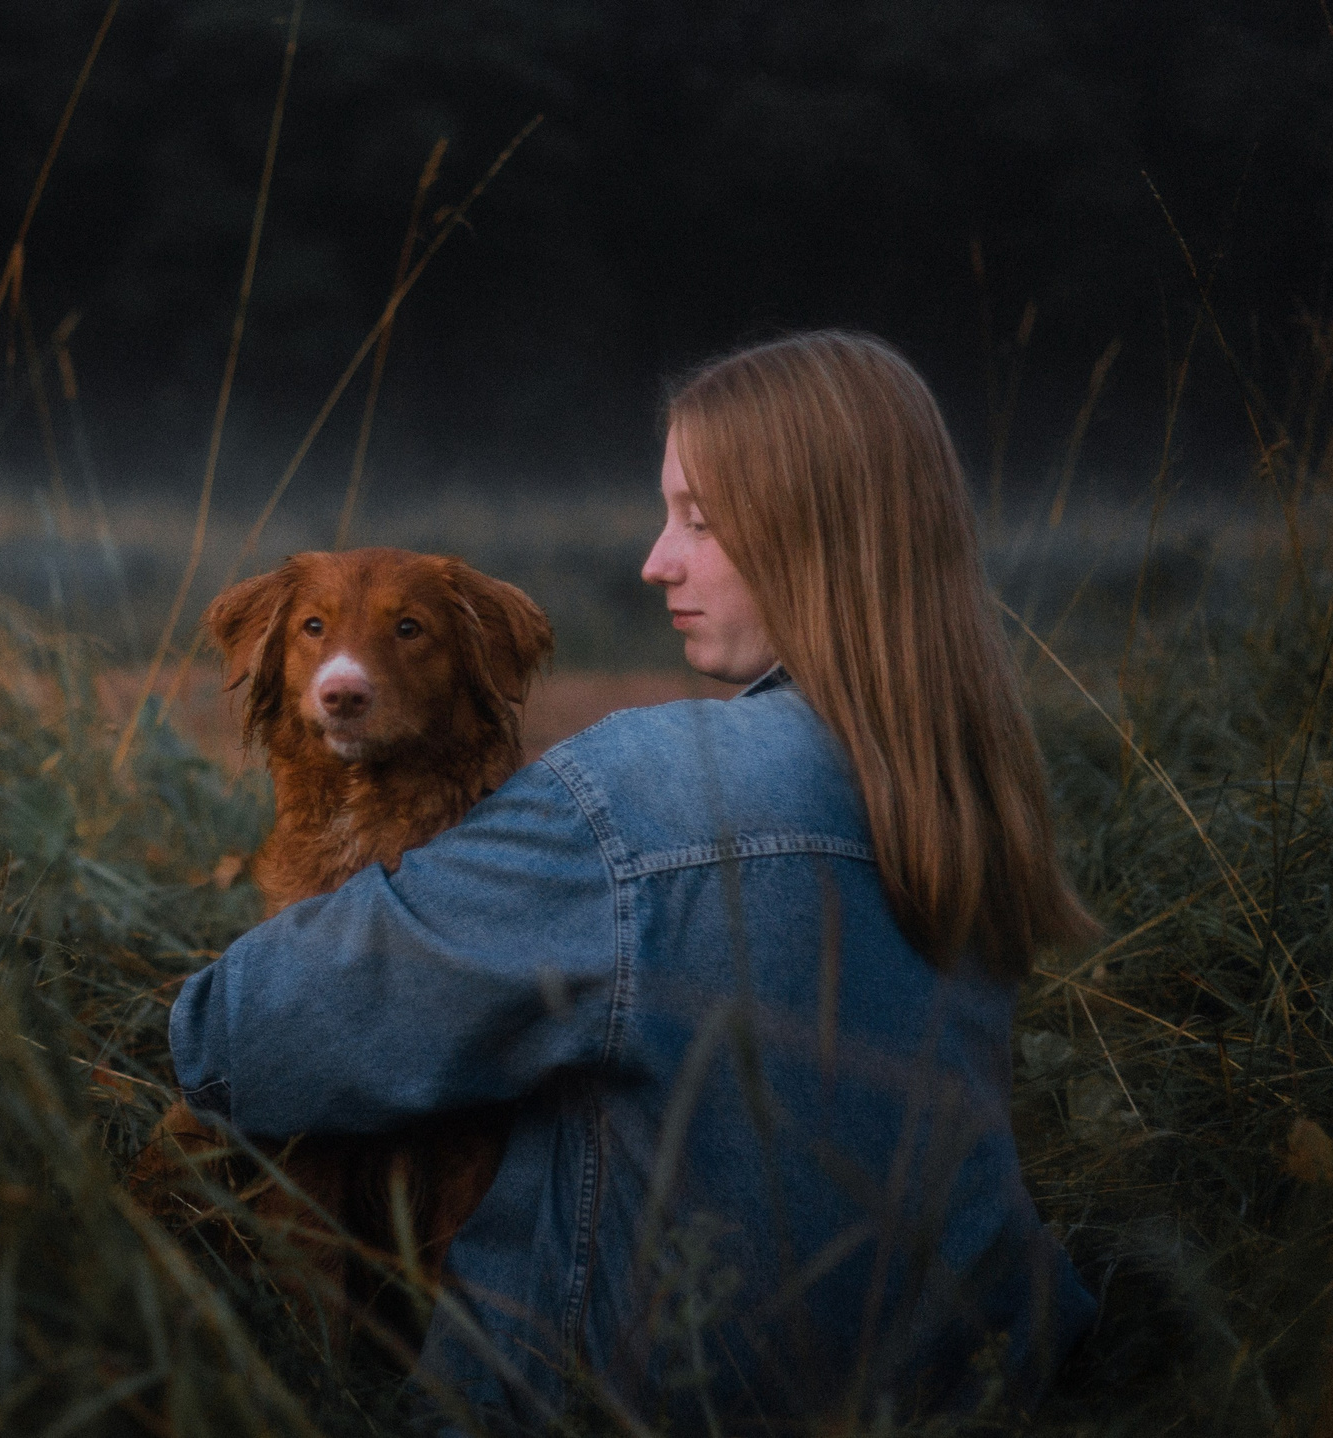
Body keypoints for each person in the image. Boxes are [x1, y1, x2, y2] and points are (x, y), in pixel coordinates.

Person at [167, 331, 1099, 1431]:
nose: (657, 561)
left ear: (815, 534)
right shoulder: (968, 792)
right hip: (986, 1396)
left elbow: (237, 1040)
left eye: (699, 520)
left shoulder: (643, 794)